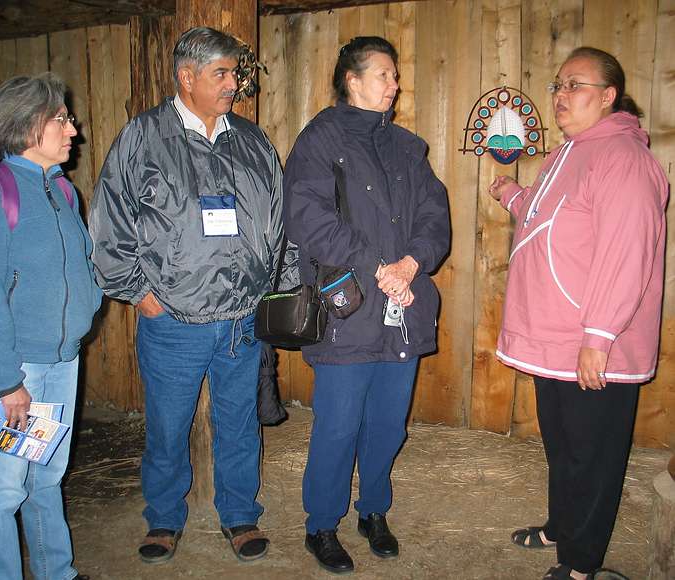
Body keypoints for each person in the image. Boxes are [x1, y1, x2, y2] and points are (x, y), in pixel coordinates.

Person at [89, 27, 284, 564]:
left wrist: (267, 293)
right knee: (168, 428)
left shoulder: (251, 139)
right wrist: (140, 294)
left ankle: (240, 515)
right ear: (187, 77)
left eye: (234, 74)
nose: (233, 84)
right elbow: (109, 224)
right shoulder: (143, 138)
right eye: (221, 74)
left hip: (241, 320)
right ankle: (164, 518)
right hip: (172, 319)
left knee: (240, 424)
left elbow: (276, 223)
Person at [489, 47, 668, 580]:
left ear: (608, 96)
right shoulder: (571, 154)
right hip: (560, 336)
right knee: (565, 446)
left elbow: (625, 251)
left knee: (593, 457)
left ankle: (581, 564)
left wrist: (600, 336)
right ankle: (563, 527)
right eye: (558, 86)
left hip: (594, 343)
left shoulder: (623, 159)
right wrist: (514, 195)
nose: (561, 96)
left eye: (575, 85)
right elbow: (553, 219)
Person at [283, 36, 450, 574]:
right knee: (337, 425)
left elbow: (434, 217)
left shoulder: (407, 147)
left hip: (401, 305)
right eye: (384, 75)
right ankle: (322, 524)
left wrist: (410, 265)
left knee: (387, 423)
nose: (394, 84)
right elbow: (308, 219)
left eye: (395, 75)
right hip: (348, 310)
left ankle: (373, 511)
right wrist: (377, 265)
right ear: (352, 81)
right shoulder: (320, 140)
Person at [0, 73, 101, 580]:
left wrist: (88, 305)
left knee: (46, 478)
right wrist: (6, 383)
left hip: (60, 362)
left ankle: (58, 572)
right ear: (24, 126)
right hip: (16, 371)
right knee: (2, 491)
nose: (73, 129)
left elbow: (80, 261)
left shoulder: (61, 191)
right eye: (60, 119)